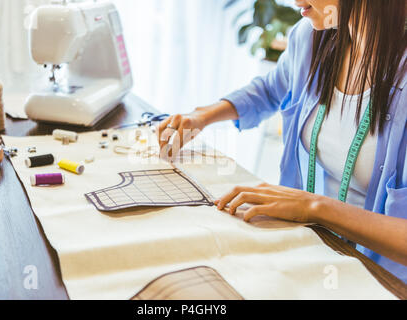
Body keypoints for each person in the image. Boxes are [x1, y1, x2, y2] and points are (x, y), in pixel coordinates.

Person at [158, 0, 407, 283]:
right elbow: (270, 88)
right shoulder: (312, 38)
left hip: (385, 279)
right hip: (320, 249)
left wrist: (316, 208)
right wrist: (201, 116)